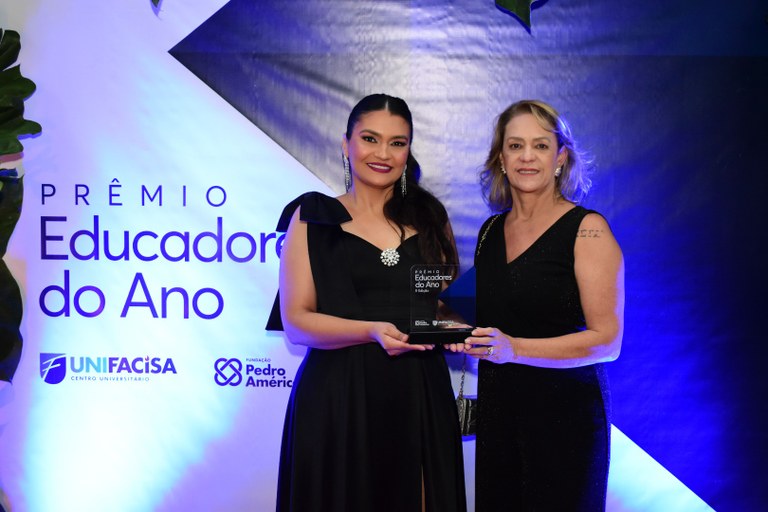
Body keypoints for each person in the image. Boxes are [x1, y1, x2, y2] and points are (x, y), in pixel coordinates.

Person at [268, 94, 467, 512]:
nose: (383, 153)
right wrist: (371, 330)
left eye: (397, 143)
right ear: (346, 145)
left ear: (408, 151)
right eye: (370, 139)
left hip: (418, 395)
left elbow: (440, 307)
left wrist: (453, 327)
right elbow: (297, 322)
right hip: (337, 397)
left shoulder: (431, 218)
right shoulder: (312, 216)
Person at [463, 100, 624, 511]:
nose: (527, 156)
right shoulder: (490, 231)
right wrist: (442, 327)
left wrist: (514, 348)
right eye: (515, 146)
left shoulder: (588, 230)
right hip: (500, 418)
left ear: (561, 157)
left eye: (540, 145)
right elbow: (480, 312)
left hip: (565, 423)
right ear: (501, 159)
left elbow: (608, 342)